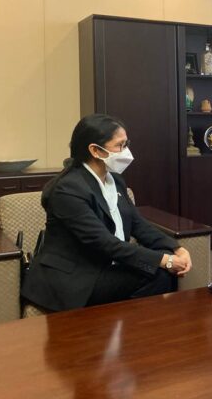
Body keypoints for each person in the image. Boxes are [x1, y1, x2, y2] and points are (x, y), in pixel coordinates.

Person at [22, 114, 192, 312]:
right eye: (120, 145)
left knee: (162, 270)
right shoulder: (67, 189)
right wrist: (164, 260)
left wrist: (175, 248)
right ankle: (127, 327)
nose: (126, 151)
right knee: (159, 273)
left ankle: (129, 326)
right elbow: (104, 243)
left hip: (108, 264)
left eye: (126, 144)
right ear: (95, 150)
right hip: (75, 276)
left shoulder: (115, 180)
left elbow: (138, 224)